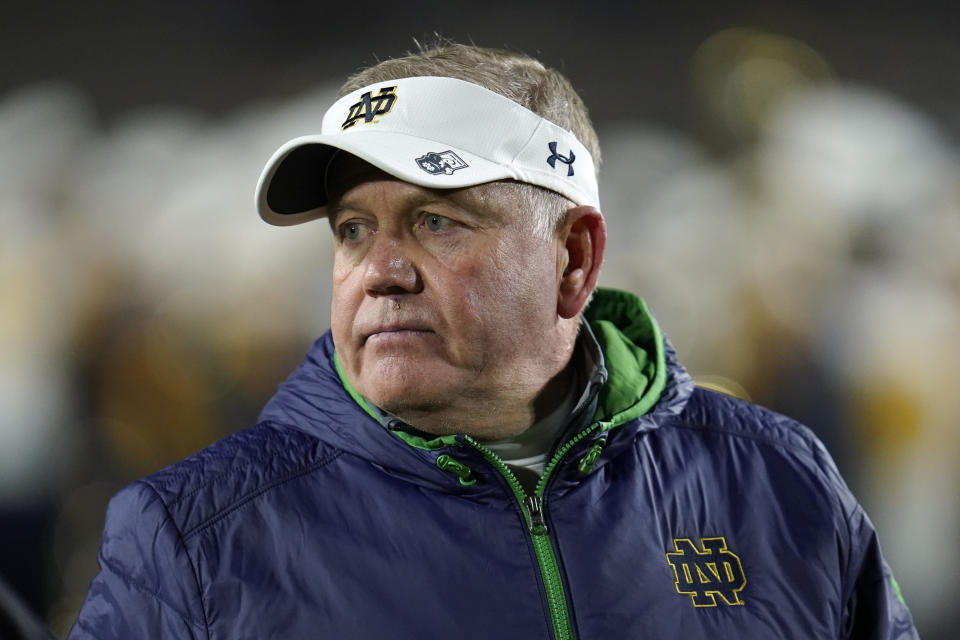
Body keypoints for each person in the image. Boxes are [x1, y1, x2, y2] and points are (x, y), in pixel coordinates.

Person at [68, 42, 919, 639]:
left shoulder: (777, 484)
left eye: (435, 221)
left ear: (575, 258)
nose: (379, 271)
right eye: (354, 230)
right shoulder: (190, 538)